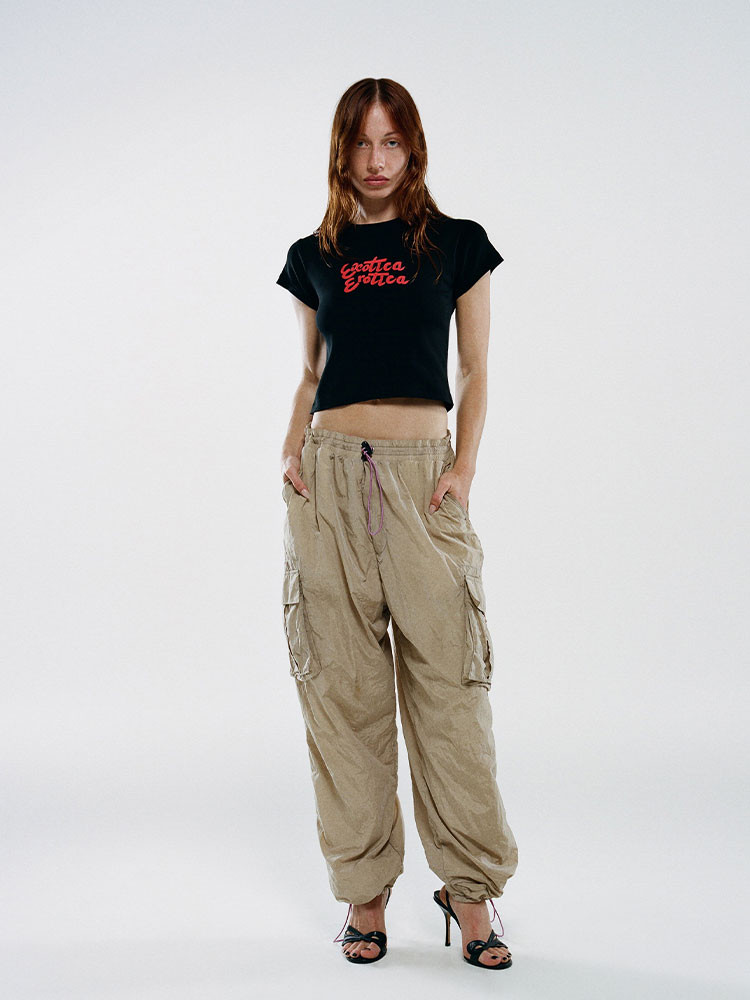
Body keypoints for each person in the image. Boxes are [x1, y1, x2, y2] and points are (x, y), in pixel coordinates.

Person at [276, 78, 519, 970]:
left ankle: (470, 890)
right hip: (328, 478)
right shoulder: (312, 255)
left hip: (424, 482)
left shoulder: (457, 244)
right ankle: (365, 894)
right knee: (342, 695)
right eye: (359, 143)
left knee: (450, 690)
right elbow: (312, 372)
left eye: (391, 142)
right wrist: (292, 449)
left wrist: (463, 469)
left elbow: (477, 369)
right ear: (340, 152)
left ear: (413, 149)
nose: (375, 161)